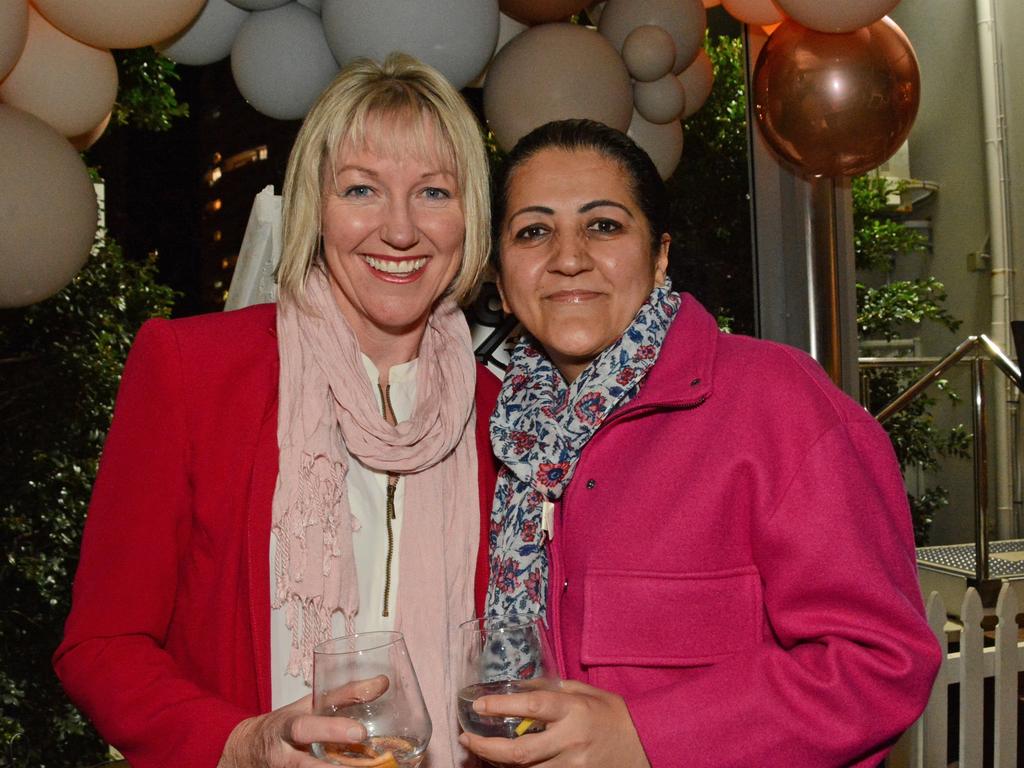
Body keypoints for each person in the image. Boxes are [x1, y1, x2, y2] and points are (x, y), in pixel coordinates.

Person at [54, 54, 498, 768]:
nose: (400, 229)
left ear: (469, 215)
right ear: (315, 207)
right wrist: (240, 743)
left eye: (434, 193)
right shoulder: (191, 371)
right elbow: (101, 647)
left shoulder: (500, 417)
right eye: (361, 189)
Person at [461, 119, 942, 768]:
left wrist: (649, 736)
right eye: (533, 231)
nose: (568, 256)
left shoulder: (776, 402)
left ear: (659, 255)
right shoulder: (493, 436)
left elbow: (881, 664)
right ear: (500, 275)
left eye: (604, 225)